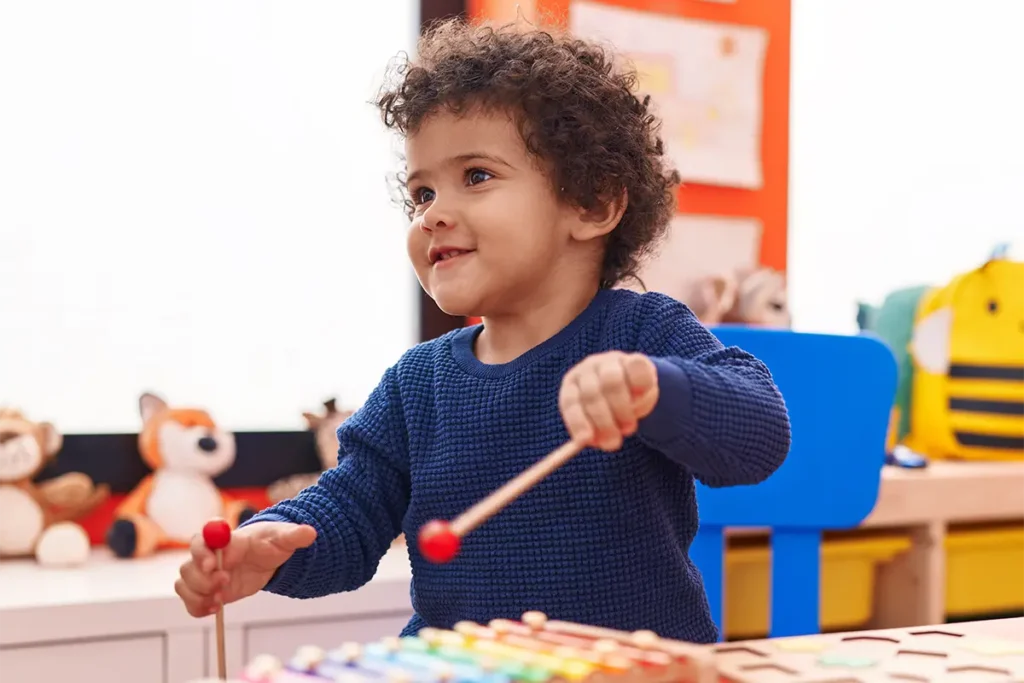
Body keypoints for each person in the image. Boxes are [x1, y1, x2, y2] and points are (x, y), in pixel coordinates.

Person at [173, 17, 791, 644]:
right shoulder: (418, 386)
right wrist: (274, 545)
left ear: (593, 204)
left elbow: (760, 434)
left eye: (476, 176)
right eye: (420, 193)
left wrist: (660, 390)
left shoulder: (642, 335)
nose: (434, 213)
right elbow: (351, 510)